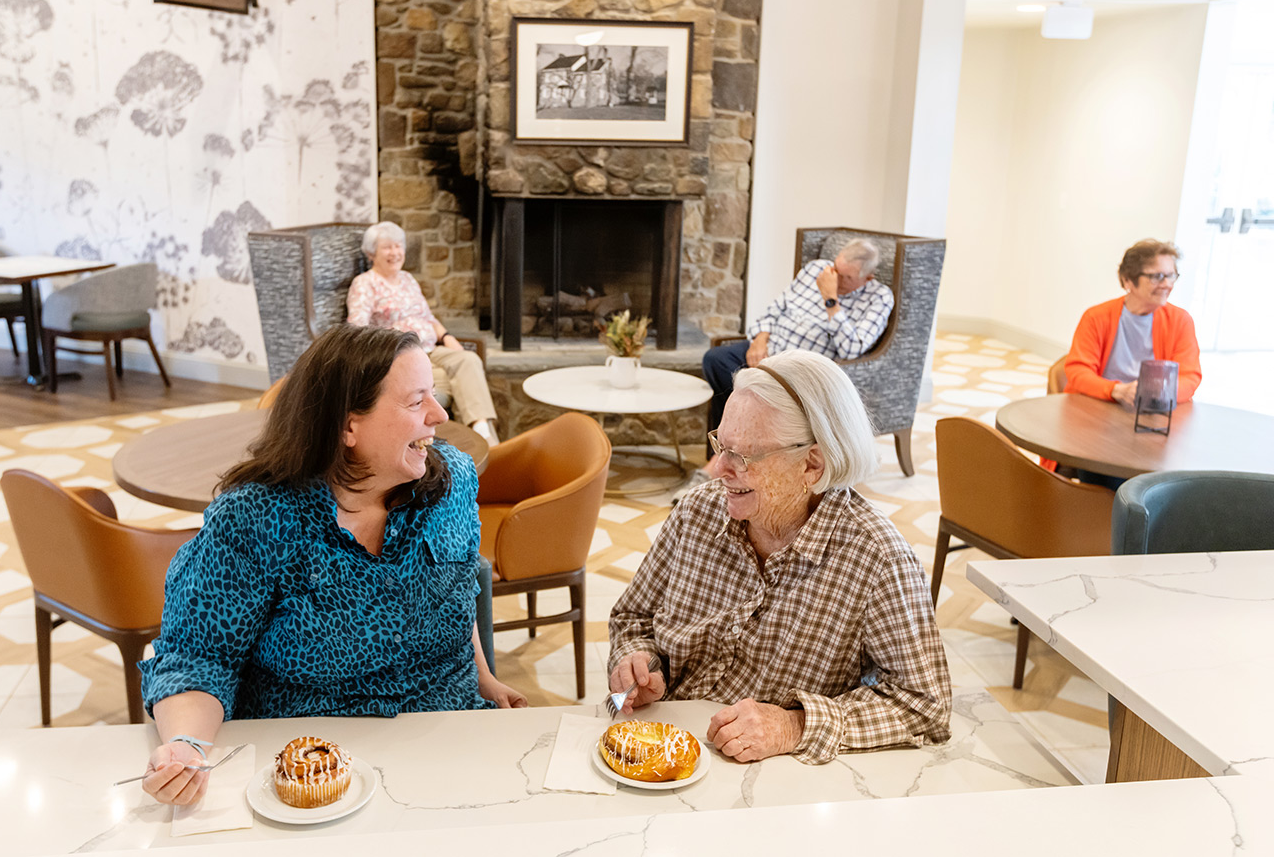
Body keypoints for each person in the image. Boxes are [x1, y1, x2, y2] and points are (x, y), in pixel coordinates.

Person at [136, 324, 526, 806]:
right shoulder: (256, 520)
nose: (439, 414)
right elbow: (198, 657)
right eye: (415, 400)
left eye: (436, 395)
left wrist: (484, 679)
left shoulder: (453, 483)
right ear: (346, 425)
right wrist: (187, 746)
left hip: (445, 735)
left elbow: (457, 588)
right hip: (305, 766)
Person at [608, 350, 950, 765]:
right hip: (663, 748)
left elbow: (925, 705)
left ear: (812, 463)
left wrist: (794, 726)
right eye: (721, 445)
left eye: (743, 457)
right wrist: (641, 663)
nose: (719, 470)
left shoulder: (877, 559)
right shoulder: (696, 512)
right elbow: (632, 617)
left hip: (776, 782)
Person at [701, 238, 893, 441]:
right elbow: (776, 308)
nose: (835, 279)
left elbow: (852, 349)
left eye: (846, 277)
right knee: (715, 360)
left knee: (757, 391)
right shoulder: (815, 269)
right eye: (836, 270)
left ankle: (746, 440)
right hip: (769, 350)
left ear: (868, 278)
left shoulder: (879, 298)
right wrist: (759, 339)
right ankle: (729, 439)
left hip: (799, 370)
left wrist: (830, 299)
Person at [348, 221, 500, 446]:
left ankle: (481, 431)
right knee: (463, 383)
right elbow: (358, 329)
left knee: (468, 360)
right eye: (387, 247)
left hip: (431, 349)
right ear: (372, 253)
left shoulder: (408, 279)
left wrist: (447, 336)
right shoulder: (364, 284)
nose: (395, 252)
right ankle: (487, 445)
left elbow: (428, 318)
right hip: (402, 357)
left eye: (399, 246)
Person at [1063, 238, 1201, 410]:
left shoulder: (1181, 320)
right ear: (1128, 280)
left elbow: (1189, 376)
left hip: (1152, 409)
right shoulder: (1096, 317)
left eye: (1171, 276)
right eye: (1157, 277)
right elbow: (1078, 370)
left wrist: (1156, 393)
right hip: (1099, 403)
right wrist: (1116, 390)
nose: (1167, 284)